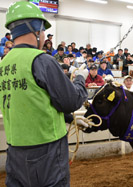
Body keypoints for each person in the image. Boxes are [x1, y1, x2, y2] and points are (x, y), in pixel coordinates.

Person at [2, 2, 89, 186]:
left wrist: (67, 118)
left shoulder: (3, 64)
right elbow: (71, 101)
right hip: (48, 151)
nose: (44, 36)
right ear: (34, 29)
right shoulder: (42, 60)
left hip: (15, 151)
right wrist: (80, 78)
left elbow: (30, 101)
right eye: (43, 31)